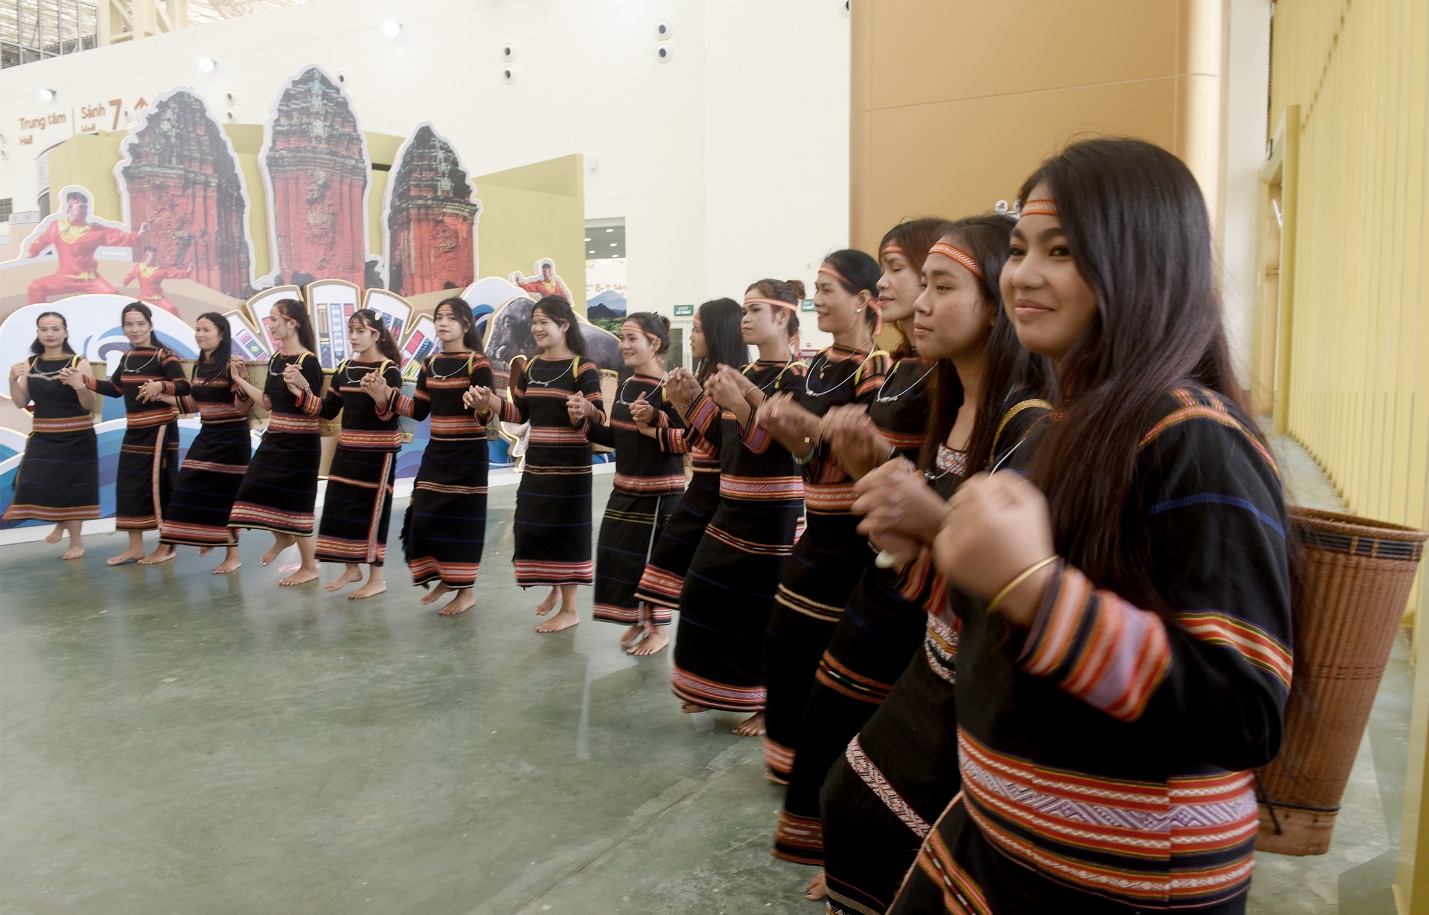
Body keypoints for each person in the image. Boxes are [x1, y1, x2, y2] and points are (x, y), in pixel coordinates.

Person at [889, 138, 1293, 914]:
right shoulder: (1069, 423)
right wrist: (936, 547)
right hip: (1012, 849)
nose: (1024, 274)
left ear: (1141, 261)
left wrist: (1034, 590)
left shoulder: (1195, 436)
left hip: (1122, 882)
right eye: (1017, 248)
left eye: (1063, 250)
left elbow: (1244, 711)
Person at [813, 214, 1046, 915]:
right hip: (925, 630)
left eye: (934, 283)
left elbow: (1003, 577)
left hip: (962, 668)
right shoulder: (949, 395)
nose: (908, 299)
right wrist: (870, 474)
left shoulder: (1030, 421)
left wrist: (923, 517)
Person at [761, 217, 951, 892]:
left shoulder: (903, 372)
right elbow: (817, 458)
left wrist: (857, 454)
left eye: (927, 276)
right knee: (812, 683)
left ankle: (862, 853)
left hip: (887, 564)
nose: (898, 288)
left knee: (874, 726)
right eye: (901, 273)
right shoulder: (899, 368)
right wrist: (801, 433)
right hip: (876, 553)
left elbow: (938, 491)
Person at [753, 250, 892, 792]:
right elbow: (811, 455)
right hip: (817, 525)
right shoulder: (814, 366)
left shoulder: (876, 368)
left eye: (827, 289)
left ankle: (831, 769)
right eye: (815, 289)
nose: (818, 300)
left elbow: (868, 455)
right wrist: (778, 422)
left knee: (830, 656)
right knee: (787, 643)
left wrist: (802, 423)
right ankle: (790, 759)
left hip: (854, 536)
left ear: (862, 300)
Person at [670, 280, 806, 736]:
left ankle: (769, 704)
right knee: (703, 590)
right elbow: (722, 439)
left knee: (764, 608)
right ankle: (716, 688)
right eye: (744, 310)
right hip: (735, 500)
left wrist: (740, 402)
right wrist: (689, 401)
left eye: (755, 310)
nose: (745, 318)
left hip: (775, 509)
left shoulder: (797, 377)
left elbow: (775, 444)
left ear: (783, 317)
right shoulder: (744, 373)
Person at [470, 295, 605, 632]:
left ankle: (571, 608)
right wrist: (492, 402)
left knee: (566, 531)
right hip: (538, 464)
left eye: (544, 322)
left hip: (571, 468)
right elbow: (521, 415)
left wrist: (585, 411)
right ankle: (557, 591)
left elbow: (599, 416)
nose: (537, 328)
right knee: (533, 526)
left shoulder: (582, 367)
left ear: (563, 325)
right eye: (534, 322)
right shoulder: (531, 367)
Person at [628, 297, 749, 656]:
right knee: (668, 571)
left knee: (704, 585)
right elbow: (697, 440)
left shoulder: (736, 379)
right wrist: (656, 423)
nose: (692, 336)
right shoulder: (705, 375)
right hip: (702, 489)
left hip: (722, 497)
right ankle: (658, 630)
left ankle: (673, 641)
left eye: (697, 329)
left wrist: (682, 405)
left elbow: (725, 442)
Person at [362, 297, 494, 616]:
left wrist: (483, 407)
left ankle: (465, 591)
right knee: (425, 515)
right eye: (438, 317)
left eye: (450, 317)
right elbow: (418, 410)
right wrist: (386, 397)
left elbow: (487, 417)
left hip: (468, 456)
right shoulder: (430, 363)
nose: (442, 323)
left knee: (462, 523)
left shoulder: (478, 364)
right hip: (438, 453)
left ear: (465, 324)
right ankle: (447, 578)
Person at [587, 312, 687, 649]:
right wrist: (586, 419)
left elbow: (687, 438)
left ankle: (658, 629)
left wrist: (657, 418)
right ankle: (638, 619)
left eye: (633, 338)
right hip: (625, 487)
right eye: (623, 337)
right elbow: (617, 438)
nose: (624, 345)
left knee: (652, 562)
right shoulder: (628, 384)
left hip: (660, 493)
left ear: (654, 343)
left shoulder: (673, 386)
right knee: (621, 558)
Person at [62, 301, 188, 565]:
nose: (134, 329)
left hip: (160, 429)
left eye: (140, 323)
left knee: (159, 485)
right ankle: (135, 547)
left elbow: (183, 386)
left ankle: (167, 546)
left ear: (151, 325)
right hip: (135, 429)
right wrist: (82, 380)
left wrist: (160, 385)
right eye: (129, 324)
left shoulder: (165, 355)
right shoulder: (128, 357)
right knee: (130, 485)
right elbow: (115, 389)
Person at [303, 309, 404, 599]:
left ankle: (377, 578)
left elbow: (390, 415)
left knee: (374, 513)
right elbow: (329, 409)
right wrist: (302, 391)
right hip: (348, 449)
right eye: (351, 331)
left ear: (376, 334)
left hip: (378, 453)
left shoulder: (388, 371)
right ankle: (351, 568)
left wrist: (380, 397)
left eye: (360, 331)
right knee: (342, 506)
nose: (354, 337)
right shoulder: (345, 368)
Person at [227, 298, 324, 586]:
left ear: (292, 323)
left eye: (274, 319)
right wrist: (241, 379)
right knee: (252, 489)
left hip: (302, 445)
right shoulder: (275, 359)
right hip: (275, 439)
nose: (270, 325)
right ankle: (282, 538)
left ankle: (310, 566)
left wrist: (301, 387)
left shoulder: (309, 361)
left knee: (296, 502)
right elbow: (268, 402)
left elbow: (314, 406)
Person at [151, 313, 253, 573]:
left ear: (221, 334)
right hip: (208, 434)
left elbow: (244, 407)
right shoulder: (199, 366)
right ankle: (205, 537)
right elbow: (197, 404)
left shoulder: (232, 363)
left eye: (206, 329)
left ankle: (233, 555)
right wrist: (160, 395)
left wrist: (240, 379)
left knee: (225, 497)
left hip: (232, 440)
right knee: (187, 486)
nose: (200, 334)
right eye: (197, 329)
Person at [3, 311, 99, 559]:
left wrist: (78, 384)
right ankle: (61, 522)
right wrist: (13, 379)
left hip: (77, 436)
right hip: (44, 435)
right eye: (44, 329)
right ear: (38, 333)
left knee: (71, 489)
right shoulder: (31, 363)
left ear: (65, 332)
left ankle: (76, 542)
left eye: (55, 329)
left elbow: (89, 405)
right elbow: (21, 401)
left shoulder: (80, 362)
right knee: (31, 481)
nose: (49, 334)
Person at [26, 190, 148, 302]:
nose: (85, 211)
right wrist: (31, 253)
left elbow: (115, 236)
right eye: (81, 207)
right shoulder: (56, 227)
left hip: (89, 279)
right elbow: (41, 241)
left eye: (86, 207)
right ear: (69, 208)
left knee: (111, 294)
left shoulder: (93, 231)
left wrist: (137, 235)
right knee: (35, 287)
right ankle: (37, 320)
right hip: (64, 278)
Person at [121, 247, 193, 318]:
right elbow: (130, 275)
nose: (152, 257)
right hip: (143, 298)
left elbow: (174, 272)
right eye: (150, 255)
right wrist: (125, 283)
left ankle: (179, 326)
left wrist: (187, 272)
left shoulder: (160, 270)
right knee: (131, 309)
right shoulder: (139, 267)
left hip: (157, 299)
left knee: (171, 308)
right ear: (145, 255)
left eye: (154, 255)